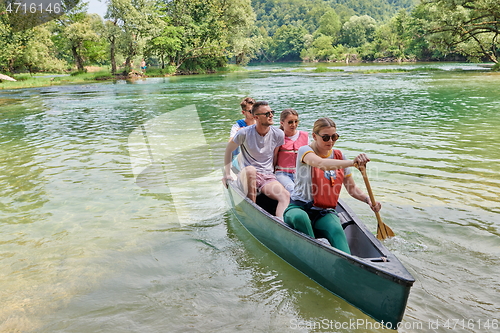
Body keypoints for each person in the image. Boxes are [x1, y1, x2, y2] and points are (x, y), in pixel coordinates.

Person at [283, 117, 381, 254]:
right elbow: (321, 164)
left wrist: (368, 200)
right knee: (301, 218)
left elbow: (352, 189)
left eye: (334, 137)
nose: (330, 141)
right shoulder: (304, 150)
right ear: (314, 136)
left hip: (323, 211)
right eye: (326, 137)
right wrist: (353, 163)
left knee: (336, 229)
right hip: (298, 207)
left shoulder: (340, 156)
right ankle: (315, 253)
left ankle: (349, 264)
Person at [223, 101, 290, 218]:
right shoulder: (244, 133)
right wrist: (227, 174)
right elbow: (228, 150)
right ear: (256, 117)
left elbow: (275, 156)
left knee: (285, 196)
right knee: (250, 170)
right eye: (267, 113)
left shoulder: (278, 134)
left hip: (267, 176)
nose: (271, 115)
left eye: (272, 112)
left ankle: (280, 223)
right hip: (247, 174)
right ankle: (253, 212)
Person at [275, 108, 309, 193]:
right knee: (292, 189)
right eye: (290, 122)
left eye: (296, 121)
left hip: (301, 174)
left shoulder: (305, 136)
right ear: (282, 123)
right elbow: (273, 157)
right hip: (282, 173)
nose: (293, 124)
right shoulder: (278, 137)